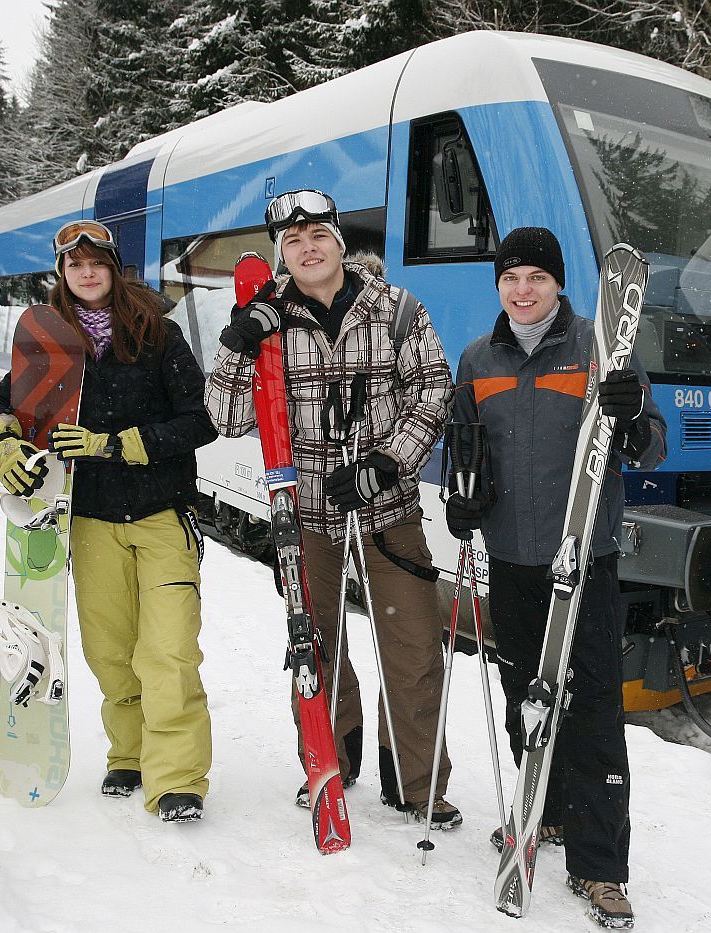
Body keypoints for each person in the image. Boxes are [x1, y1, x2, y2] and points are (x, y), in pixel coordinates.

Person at [205, 189, 461, 828]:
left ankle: (416, 780)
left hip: (387, 508)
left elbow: (432, 388)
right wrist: (238, 340)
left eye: (318, 234)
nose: (307, 247)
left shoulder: (396, 309)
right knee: (314, 643)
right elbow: (227, 416)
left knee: (413, 644)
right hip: (304, 518)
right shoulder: (266, 321)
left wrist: (387, 461)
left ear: (340, 243)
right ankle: (330, 762)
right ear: (281, 254)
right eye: (292, 241)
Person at [446, 227, 666, 929]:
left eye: (536, 277)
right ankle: (547, 811)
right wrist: (460, 496)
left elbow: (653, 444)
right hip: (510, 559)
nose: (523, 290)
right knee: (527, 698)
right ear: (499, 287)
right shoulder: (479, 357)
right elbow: (463, 443)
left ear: (559, 284)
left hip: (586, 560)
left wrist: (630, 415)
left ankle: (601, 867)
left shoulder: (602, 349)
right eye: (511, 279)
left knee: (594, 705)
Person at [0, 220, 217, 822]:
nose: (86, 273)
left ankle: (177, 779)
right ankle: (130, 754)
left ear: (113, 268)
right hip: (87, 522)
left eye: (97, 262)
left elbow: (200, 421)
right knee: (110, 651)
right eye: (74, 264)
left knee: (168, 651)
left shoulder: (158, 334)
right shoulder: (47, 342)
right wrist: (2, 446)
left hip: (162, 516)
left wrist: (117, 444)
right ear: (62, 273)